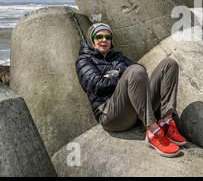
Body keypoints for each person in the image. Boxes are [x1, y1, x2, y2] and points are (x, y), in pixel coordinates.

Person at [76, 23, 186, 157]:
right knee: (134, 72)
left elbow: (140, 69)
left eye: (108, 37)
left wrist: (119, 74)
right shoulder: (84, 61)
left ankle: (166, 122)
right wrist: (122, 74)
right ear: (91, 40)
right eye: (99, 36)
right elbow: (98, 85)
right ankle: (153, 132)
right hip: (111, 115)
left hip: (135, 109)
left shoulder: (118, 56)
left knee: (169, 64)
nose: (104, 40)